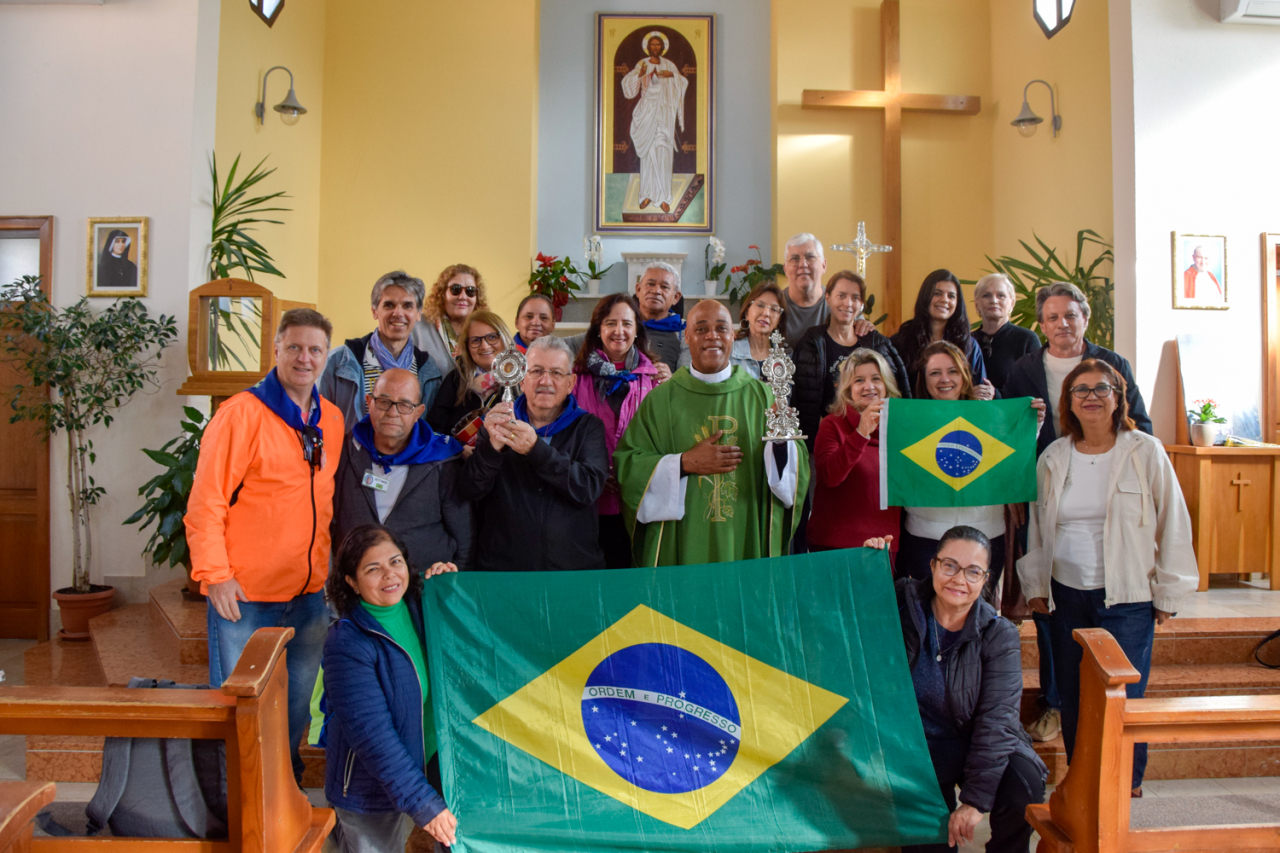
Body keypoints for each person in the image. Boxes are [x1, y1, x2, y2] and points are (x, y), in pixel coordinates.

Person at [1019, 359, 1197, 797]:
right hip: (1066, 596)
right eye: (1081, 390)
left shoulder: (1144, 451)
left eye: (1102, 388)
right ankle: (1082, 779)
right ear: (1069, 402)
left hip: (1127, 596)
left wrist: (1169, 591)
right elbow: (1037, 526)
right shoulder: (1054, 456)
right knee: (1074, 695)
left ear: (1118, 398)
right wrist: (1036, 585)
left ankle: (1124, 784)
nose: (1092, 397)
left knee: (1122, 696)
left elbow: (1173, 520)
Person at [185, 308, 344, 783]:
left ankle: (283, 796)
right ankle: (233, 803)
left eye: (315, 349)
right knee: (240, 711)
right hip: (246, 597)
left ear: (326, 356)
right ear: (276, 350)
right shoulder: (241, 414)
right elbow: (206, 502)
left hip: (308, 596)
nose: (304, 358)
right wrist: (215, 576)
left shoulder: (331, 419)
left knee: (294, 711)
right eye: (294, 347)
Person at [866, 527, 1047, 853]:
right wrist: (866, 564)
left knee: (1023, 782)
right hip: (919, 749)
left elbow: (997, 721)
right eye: (949, 565)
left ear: (985, 579)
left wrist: (974, 801)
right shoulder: (903, 605)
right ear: (933, 565)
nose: (959, 579)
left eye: (973, 571)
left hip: (974, 738)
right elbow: (853, 611)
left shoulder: (999, 634)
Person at [614, 300, 808, 566]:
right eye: (701, 329)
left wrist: (780, 444)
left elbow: (795, 472)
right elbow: (630, 466)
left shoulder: (764, 398)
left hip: (744, 533)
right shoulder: (660, 401)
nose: (712, 336)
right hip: (683, 538)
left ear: (733, 335)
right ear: (687, 337)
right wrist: (684, 463)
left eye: (721, 328)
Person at [323, 525, 458, 853]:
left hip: (432, 761)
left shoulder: (420, 606)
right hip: (371, 786)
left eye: (395, 562)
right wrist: (421, 801)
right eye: (373, 569)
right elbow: (374, 737)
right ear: (351, 581)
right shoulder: (347, 642)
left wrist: (451, 589)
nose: (389, 574)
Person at [897, 342, 1044, 595]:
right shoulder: (908, 421)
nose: (945, 379)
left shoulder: (993, 416)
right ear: (924, 378)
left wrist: (1033, 426)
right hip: (925, 536)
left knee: (978, 611)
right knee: (929, 610)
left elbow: (1011, 465)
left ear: (965, 375)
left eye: (953, 371)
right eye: (935, 373)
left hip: (985, 534)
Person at [460, 335, 609, 571]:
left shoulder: (588, 427)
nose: (545, 381)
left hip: (573, 568)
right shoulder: (497, 424)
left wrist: (535, 449)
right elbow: (470, 490)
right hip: (505, 568)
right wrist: (493, 449)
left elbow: (587, 488)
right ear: (521, 379)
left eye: (556, 373)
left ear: (570, 383)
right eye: (537, 371)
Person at [331, 368, 471, 571]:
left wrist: (455, 581)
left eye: (405, 405)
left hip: (426, 580)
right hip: (357, 579)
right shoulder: (344, 450)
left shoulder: (442, 459)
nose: (392, 412)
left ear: (418, 412)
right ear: (369, 402)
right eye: (383, 401)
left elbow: (464, 538)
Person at [1003, 281, 1151, 458]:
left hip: (1106, 463)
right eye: (1053, 318)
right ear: (1042, 326)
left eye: (1071, 316)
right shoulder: (1022, 369)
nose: (1062, 324)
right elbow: (1007, 425)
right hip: (1043, 466)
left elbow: (1137, 421)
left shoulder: (1113, 364)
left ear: (1085, 320)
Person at [572, 294, 660, 568]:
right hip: (588, 501)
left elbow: (660, 440)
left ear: (637, 330)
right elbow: (565, 435)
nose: (619, 331)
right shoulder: (576, 377)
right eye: (610, 323)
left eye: (626, 323)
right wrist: (592, 472)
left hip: (639, 500)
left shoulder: (654, 379)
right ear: (598, 329)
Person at [793, 270, 910, 446]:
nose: (847, 303)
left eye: (855, 298)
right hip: (828, 439)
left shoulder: (876, 343)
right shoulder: (811, 344)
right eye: (841, 296)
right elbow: (799, 397)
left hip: (876, 440)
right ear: (828, 298)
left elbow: (901, 388)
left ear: (861, 304)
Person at [320, 270, 444, 431]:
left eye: (407, 306)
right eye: (389, 305)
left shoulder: (429, 370)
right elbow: (318, 419)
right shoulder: (339, 361)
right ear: (374, 311)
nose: (398, 313)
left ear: (418, 314)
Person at [807, 349, 902, 554]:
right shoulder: (832, 424)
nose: (869, 386)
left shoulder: (899, 428)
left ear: (886, 385)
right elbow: (830, 477)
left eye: (876, 379)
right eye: (859, 380)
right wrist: (861, 432)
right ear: (848, 388)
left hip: (884, 544)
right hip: (834, 544)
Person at [891, 269, 991, 396]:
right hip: (911, 408)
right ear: (925, 297)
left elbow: (978, 391)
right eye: (937, 293)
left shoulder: (970, 345)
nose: (945, 300)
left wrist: (984, 393)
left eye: (951, 296)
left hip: (957, 409)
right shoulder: (901, 341)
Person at [620, 32, 688, 213]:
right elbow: (628, 86)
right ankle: (647, 194)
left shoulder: (669, 65)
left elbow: (682, 81)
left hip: (664, 114)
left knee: (664, 152)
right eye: (653, 44)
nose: (655, 47)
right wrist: (640, 75)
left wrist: (671, 75)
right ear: (648, 47)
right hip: (647, 112)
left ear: (662, 47)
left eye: (658, 44)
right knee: (648, 155)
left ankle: (664, 196)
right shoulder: (642, 64)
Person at [425, 310, 511, 451]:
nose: (484, 346)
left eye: (492, 337)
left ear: (504, 338)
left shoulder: (521, 381)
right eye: (475, 340)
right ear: (467, 346)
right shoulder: (455, 379)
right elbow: (434, 429)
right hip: (457, 461)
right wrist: (458, 449)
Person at [412, 263, 489, 375]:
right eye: (455, 289)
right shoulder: (418, 325)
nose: (463, 297)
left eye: (470, 291)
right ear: (442, 293)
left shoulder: (487, 330)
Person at [970, 273, 1039, 393]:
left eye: (1001, 295)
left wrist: (996, 394)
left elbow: (1036, 388)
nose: (994, 300)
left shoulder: (1026, 339)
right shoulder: (967, 341)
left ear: (1011, 303)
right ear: (977, 305)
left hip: (1014, 406)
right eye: (986, 295)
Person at [632, 261, 686, 373]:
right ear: (638, 290)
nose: (656, 291)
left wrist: (672, 379)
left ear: (676, 297)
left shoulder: (685, 332)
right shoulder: (622, 326)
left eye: (664, 287)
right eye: (650, 284)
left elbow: (688, 378)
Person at [779, 233, 829, 348]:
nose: (803, 264)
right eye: (794, 259)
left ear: (823, 265)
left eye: (810, 257)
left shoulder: (839, 305)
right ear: (785, 269)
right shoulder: (773, 305)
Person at [729, 281, 787, 379]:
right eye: (760, 305)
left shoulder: (786, 354)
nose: (766, 313)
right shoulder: (729, 351)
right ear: (747, 313)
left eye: (774, 309)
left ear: (779, 320)